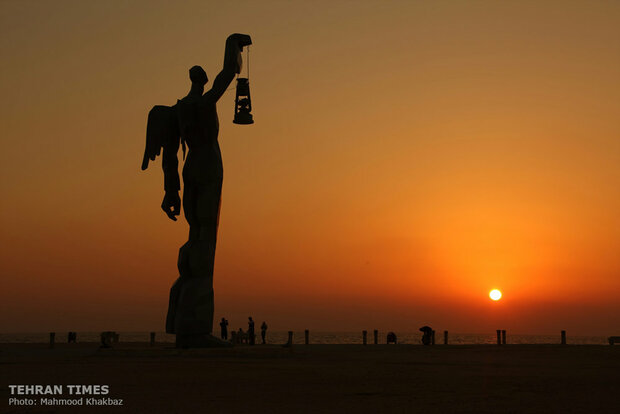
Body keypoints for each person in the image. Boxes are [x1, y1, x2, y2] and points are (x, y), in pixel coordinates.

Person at [143, 34, 252, 348]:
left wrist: (171, 191)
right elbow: (229, 72)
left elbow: (170, 157)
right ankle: (196, 329)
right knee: (206, 238)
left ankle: (185, 325)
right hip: (208, 165)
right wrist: (233, 44)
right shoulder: (204, 103)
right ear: (203, 81)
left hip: (189, 169)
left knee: (195, 234)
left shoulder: (176, 111)